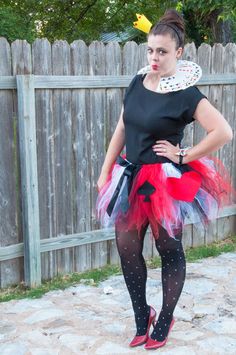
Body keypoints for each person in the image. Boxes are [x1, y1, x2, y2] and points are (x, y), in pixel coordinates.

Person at [96, 9, 234, 350]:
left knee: (168, 248)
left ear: (179, 53)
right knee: (127, 249)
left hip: (163, 182)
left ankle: (166, 317)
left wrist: (185, 155)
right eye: (150, 50)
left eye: (162, 51)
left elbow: (223, 131)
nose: (154, 57)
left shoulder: (186, 94)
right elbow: (122, 128)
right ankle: (143, 317)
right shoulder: (137, 82)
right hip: (129, 176)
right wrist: (103, 172)